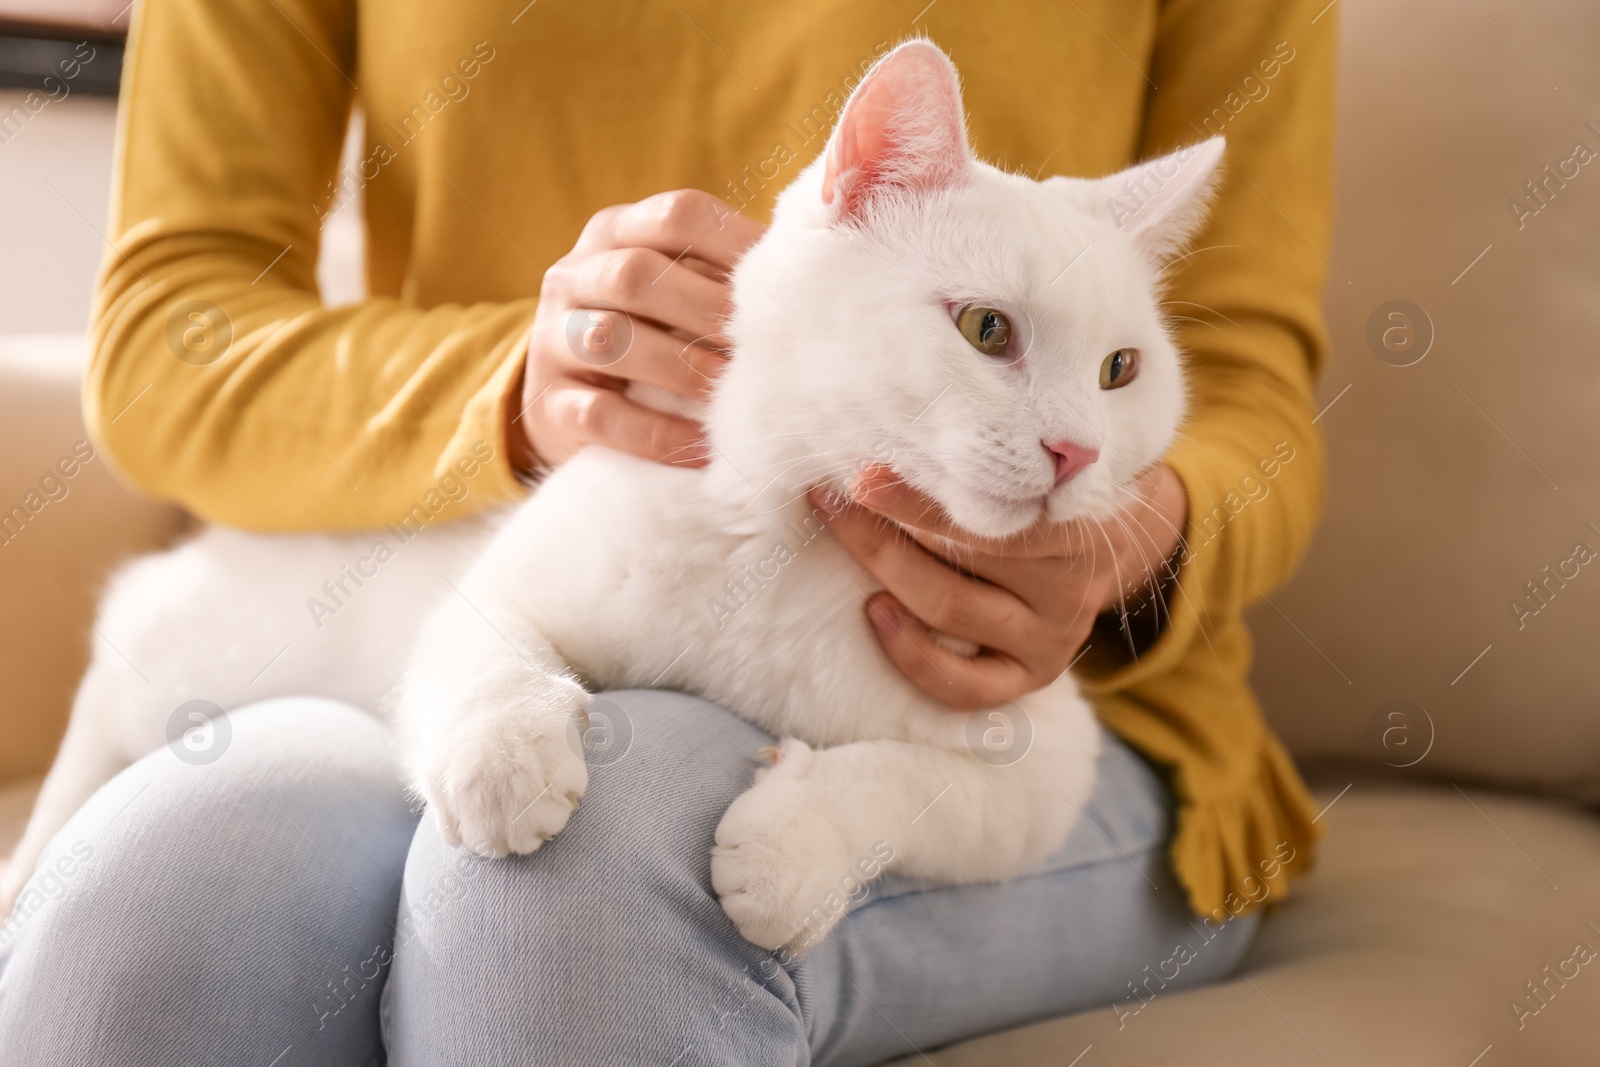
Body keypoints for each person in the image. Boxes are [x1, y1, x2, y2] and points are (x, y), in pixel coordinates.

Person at [0, 1, 1336, 1063]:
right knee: (161, 894)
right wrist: (519, 388)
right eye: (991, 331)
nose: (1067, 429)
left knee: (576, 890)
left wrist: (1131, 541)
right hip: (515, 566)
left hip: (1048, 717)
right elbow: (171, 332)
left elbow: (1260, 397)